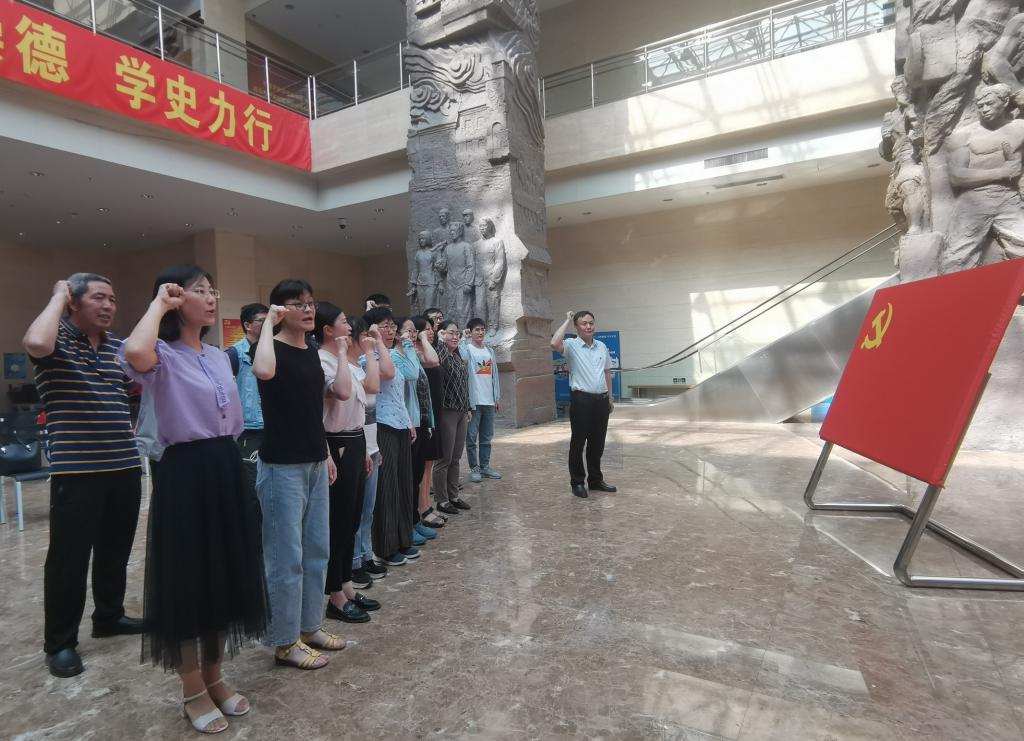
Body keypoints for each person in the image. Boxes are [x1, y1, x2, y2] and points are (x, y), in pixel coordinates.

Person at [120, 265, 268, 734]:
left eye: (211, 290)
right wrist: (158, 303)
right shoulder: (161, 354)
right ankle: (192, 688)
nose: (210, 297)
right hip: (184, 470)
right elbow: (134, 352)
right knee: (187, 580)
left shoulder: (219, 356)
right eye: (199, 290)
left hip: (225, 464)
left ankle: (215, 676)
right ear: (175, 297)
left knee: (223, 576)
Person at [23, 273, 144, 679]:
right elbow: (36, 343)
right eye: (98, 298)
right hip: (78, 470)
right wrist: (58, 295)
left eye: (113, 299)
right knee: (68, 559)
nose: (109, 306)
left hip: (124, 465)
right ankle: (60, 643)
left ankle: (109, 616)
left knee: (115, 550)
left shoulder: (115, 347)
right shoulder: (55, 339)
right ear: (74, 302)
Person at [253, 279, 345, 671]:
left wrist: (325, 452)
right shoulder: (269, 349)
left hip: (313, 461)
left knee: (316, 550)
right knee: (285, 557)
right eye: (297, 304)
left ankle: (309, 627)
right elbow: (262, 371)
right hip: (281, 467)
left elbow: (314, 409)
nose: (308, 310)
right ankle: (285, 640)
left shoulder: (309, 351)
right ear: (279, 310)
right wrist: (268, 326)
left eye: (310, 303)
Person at [314, 303, 381, 625]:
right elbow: (338, 397)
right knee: (338, 522)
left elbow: (369, 393)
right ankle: (335, 597)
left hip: (355, 440)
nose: (349, 327)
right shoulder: (322, 361)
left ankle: (346, 586)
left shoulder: (346, 362)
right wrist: (327, 453)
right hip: (336, 442)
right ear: (329, 330)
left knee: (351, 518)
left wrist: (365, 450)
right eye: (343, 322)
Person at [362, 306, 421, 566]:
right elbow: (386, 375)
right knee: (387, 488)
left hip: (399, 424)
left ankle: (403, 538)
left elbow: (400, 392)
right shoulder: (366, 359)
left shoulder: (391, 355)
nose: (390, 331)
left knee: (404, 483)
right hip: (381, 426)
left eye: (392, 327)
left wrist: (408, 422)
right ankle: (385, 547)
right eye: (384, 326)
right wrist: (376, 341)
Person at [943, 83, 1024, 272]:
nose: (984, 109)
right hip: (973, 202)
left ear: (1005, 102)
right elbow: (957, 176)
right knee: (957, 258)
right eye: (980, 106)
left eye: (989, 103)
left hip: (1008, 198)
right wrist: (1001, 172)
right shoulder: (963, 134)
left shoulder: (1020, 128)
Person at [551, 310, 617, 499]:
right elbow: (554, 343)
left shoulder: (602, 346)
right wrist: (566, 320)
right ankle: (577, 482)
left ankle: (595, 480)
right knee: (578, 443)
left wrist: (610, 398)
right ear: (577, 327)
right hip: (581, 401)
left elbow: (607, 372)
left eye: (591, 323)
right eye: (584, 323)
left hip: (601, 400)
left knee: (597, 444)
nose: (588, 326)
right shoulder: (571, 345)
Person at [347, 317, 392, 587]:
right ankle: (353, 562)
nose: (368, 339)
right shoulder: (349, 368)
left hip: (371, 446)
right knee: (355, 511)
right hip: (357, 447)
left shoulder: (361, 365)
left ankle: (364, 556)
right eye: (363, 335)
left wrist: (374, 448)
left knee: (368, 510)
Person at [401, 315, 442, 539]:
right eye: (409, 330)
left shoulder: (415, 354)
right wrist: (412, 344)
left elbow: (433, 361)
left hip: (424, 419)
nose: (414, 334)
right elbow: (414, 374)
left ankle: (418, 516)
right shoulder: (401, 355)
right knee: (410, 477)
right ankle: (411, 521)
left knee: (420, 472)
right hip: (408, 423)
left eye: (414, 331)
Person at [225, 303, 268, 489]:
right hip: (248, 430)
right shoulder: (234, 354)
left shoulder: (273, 351)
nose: (267, 324)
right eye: (262, 321)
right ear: (247, 325)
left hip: (271, 427)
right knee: (252, 486)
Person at [432, 320, 472, 515]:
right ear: (442, 334)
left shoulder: (457, 356)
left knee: (456, 457)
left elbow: (464, 383)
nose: (455, 336)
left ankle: (453, 496)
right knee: (444, 458)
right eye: (450, 333)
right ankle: (441, 500)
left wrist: (468, 407)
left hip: (461, 411)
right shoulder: (439, 355)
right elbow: (438, 365)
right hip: (447, 411)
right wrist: (440, 341)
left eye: (457, 333)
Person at [462, 318, 501, 483]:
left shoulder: (489, 351)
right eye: (477, 329)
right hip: (474, 401)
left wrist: (496, 397)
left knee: (486, 437)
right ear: (470, 332)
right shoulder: (468, 349)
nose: (480, 332)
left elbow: (494, 375)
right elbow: (463, 358)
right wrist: (463, 339)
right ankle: (474, 468)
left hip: (489, 401)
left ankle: (485, 467)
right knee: (471, 437)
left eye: (482, 329)